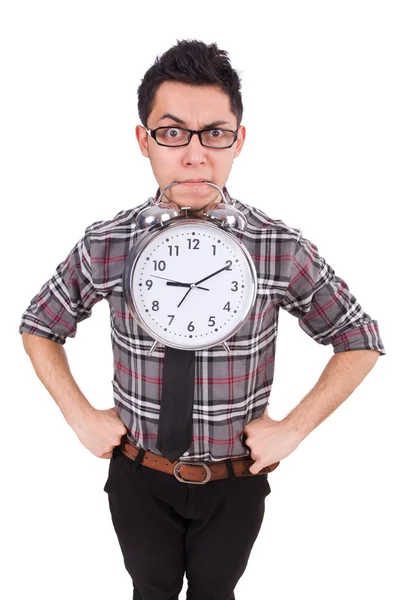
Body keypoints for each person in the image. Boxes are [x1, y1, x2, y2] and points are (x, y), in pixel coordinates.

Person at [19, 39, 386, 600]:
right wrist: (78, 415)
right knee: (151, 590)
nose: (194, 154)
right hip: (140, 476)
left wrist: (293, 429)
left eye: (214, 132)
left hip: (234, 482)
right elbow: (40, 325)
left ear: (238, 141)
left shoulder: (277, 248)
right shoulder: (108, 243)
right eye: (172, 133)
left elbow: (359, 338)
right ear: (144, 141)